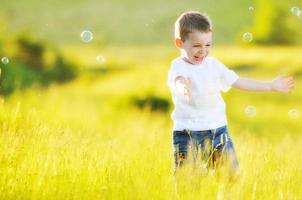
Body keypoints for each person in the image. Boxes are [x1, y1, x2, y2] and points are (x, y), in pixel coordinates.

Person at [167, 11, 295, 177]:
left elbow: (238, 82)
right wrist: (183, 87)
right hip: (187, 134)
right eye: (197, 46)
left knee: (231, 177)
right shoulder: (178, 66)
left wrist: (270, 85)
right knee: (186, 181)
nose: (203, 51)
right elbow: (177, 80)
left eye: (208, 45)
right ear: (180, 43)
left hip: (218, 132)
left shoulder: (213, 65)